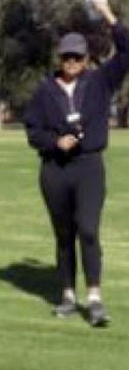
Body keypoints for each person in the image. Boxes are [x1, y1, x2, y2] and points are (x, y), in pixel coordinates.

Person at [24, 0, 129, 327]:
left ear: (87, 59)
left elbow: (127, 51)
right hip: (55, 169)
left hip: (88, 167)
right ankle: (68, 295)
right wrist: (55, 142)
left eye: (78, 57)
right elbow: (33, 131)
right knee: (63, 234)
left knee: (88, 229)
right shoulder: (44, 91)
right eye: (67, 56)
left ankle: (94, 298)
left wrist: (108, 15)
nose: (72, 62)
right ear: (60, 58)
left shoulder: (99, 82)